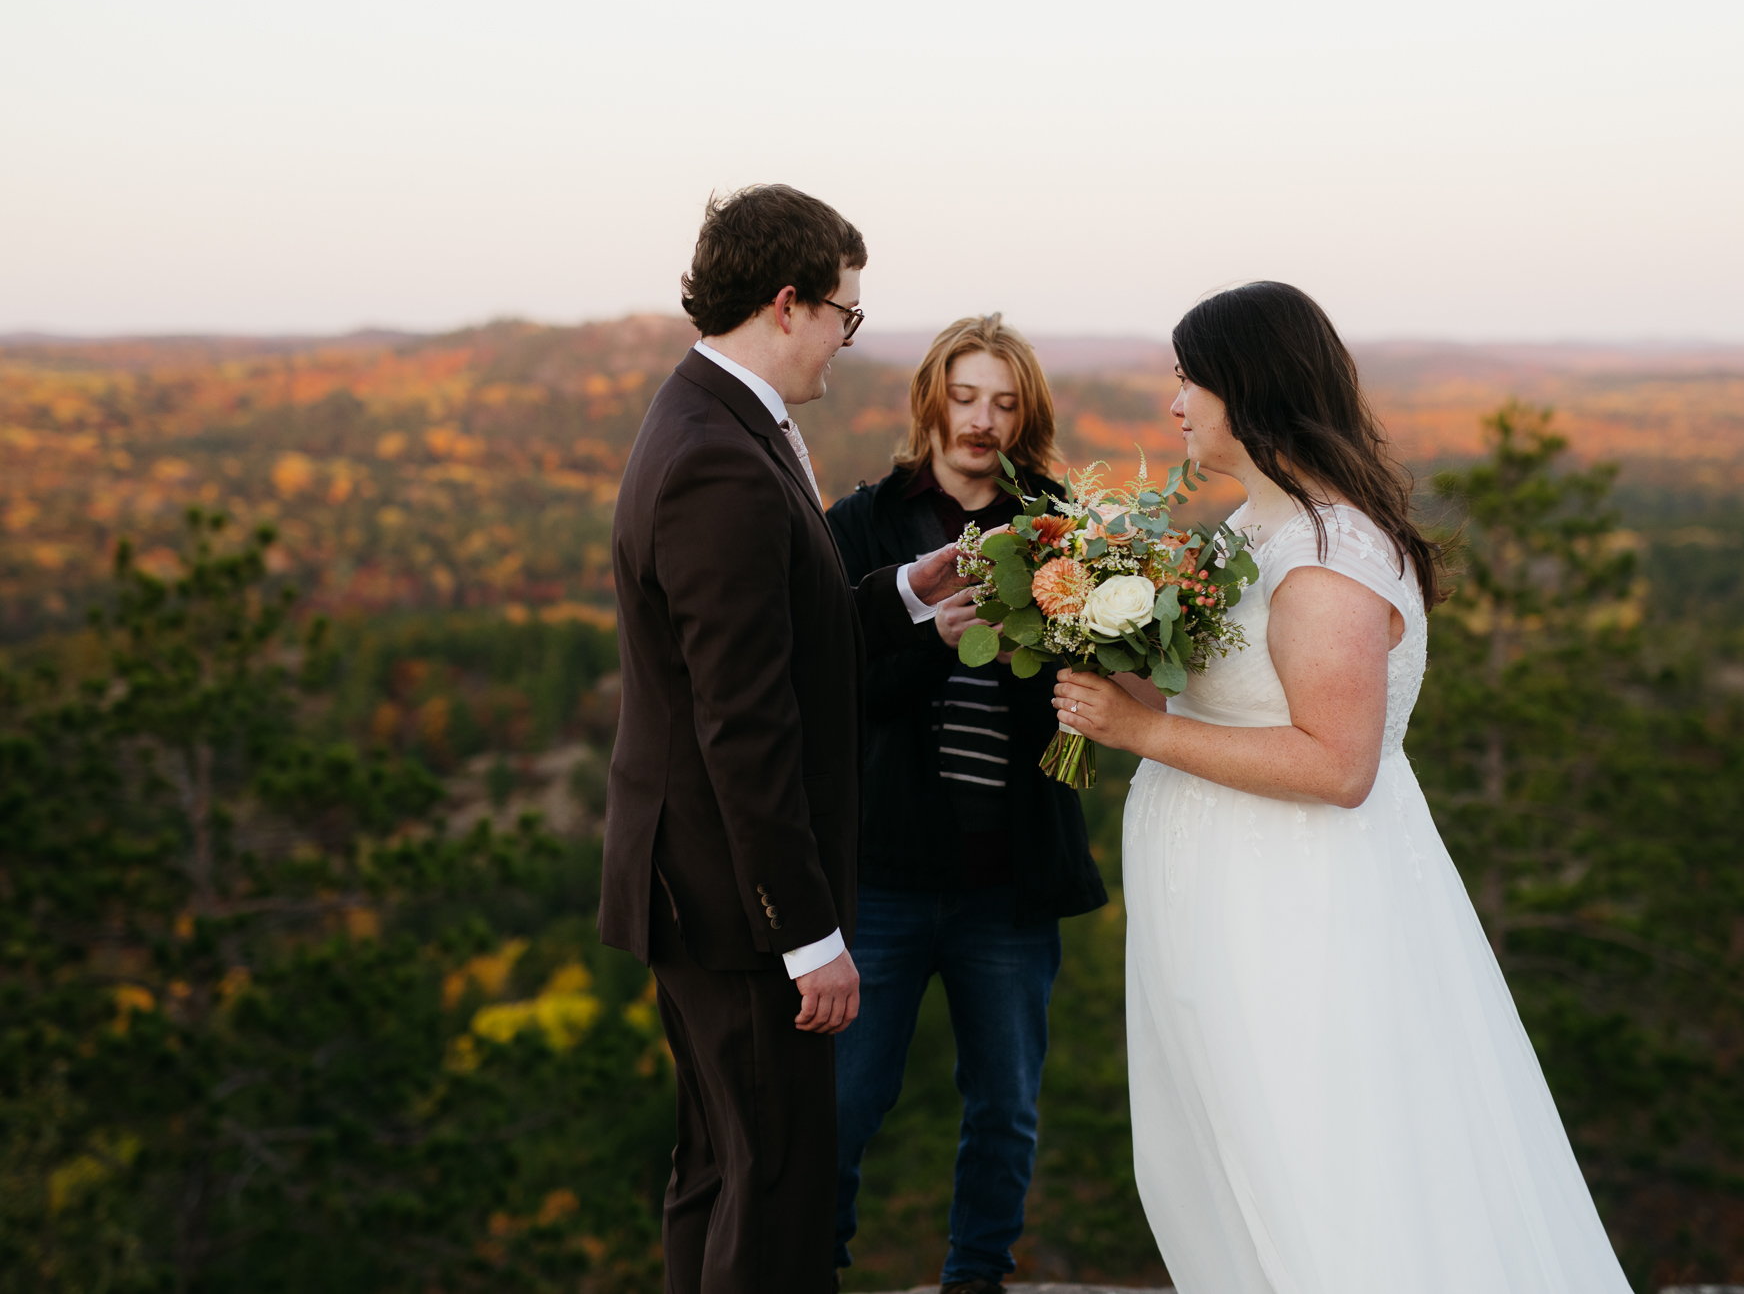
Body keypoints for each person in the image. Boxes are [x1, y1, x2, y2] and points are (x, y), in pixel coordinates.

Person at [1050, 282, 1634, 1293]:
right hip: (1225, 906)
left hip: (1294, 909)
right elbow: (1220, 694)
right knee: (1234, 1159)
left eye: (1188, 381)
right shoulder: (1250, 530)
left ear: (1250, 389)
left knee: (1312, 1162)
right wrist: (1093, 627)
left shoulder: (1324, 558)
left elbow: (1335, 762)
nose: (1174, 404)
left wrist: (1138, 729)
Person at [599, 184, 969, 1294]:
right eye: (844, 317)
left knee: (720, 1171)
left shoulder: (716, 418)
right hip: (733, 902)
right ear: (787, 300)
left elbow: (778, 635)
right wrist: (806, 937)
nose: (845, 342)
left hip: (701, 886)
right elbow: (742, 721)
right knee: (775, 1189)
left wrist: (902, 593)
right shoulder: (717, 455)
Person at [824, 315, 1107, 1294]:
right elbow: (825, 691)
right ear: (931, 401)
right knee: (846, 1103)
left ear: (1023, 415)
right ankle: (811, 1266)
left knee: (1005, 1110)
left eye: (1003, 402)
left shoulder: (1067, 528)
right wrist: (927, 642)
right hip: (887, 876)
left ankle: (976, 1280)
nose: (982, 420)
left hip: (1011, 881)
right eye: (965, 396)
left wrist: (1040, 640)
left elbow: (1080, 697)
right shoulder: (858, 524)